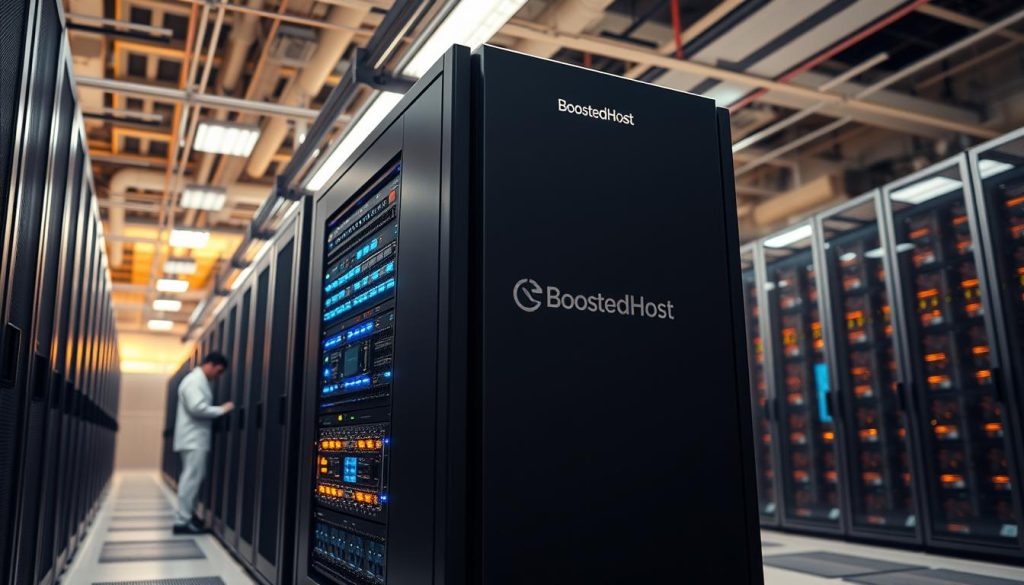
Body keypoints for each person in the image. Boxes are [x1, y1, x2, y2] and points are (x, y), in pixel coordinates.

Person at [172, 352, 234, 534]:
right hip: (193, 439)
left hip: (193, 438)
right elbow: (196, 408)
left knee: (192, 478)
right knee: (191, 479)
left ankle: (187, 517)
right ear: (210, 364)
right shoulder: (194, 381)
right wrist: (222, 409)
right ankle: (182, 521)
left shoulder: (197, 380)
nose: (218, 376)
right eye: (219, 371)